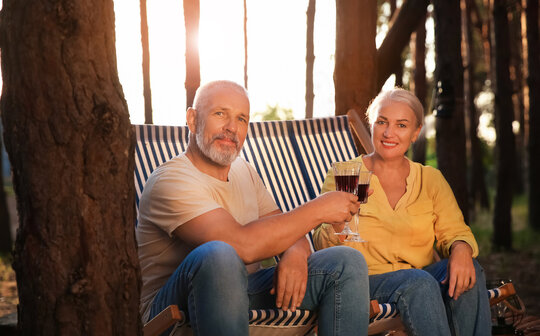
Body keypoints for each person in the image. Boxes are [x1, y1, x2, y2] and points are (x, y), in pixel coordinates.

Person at [136, 80, 370, 336]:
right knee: (219, 254)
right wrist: (319, 210)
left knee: (346, 263)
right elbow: (242, 246)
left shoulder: (243, 170)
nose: (231, 128)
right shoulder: (170, 181)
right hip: (172, 312)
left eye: (241, 119)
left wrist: (294, 252)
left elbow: (285, 227)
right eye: (220, 114)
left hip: (243, 292)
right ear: (192, 120)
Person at [314, 88, 492, 336]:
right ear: (372, 125)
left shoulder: (430, 179)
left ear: (416, 132)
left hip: (422, 279)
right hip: (366, 283)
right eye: (382, 122)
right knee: (417, 282)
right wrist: (338, 223)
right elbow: (323, 248)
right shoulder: (347, 174)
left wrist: (461, 248)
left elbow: (455, 231)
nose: (389, 133)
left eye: (401, 125)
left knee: (470, 271)